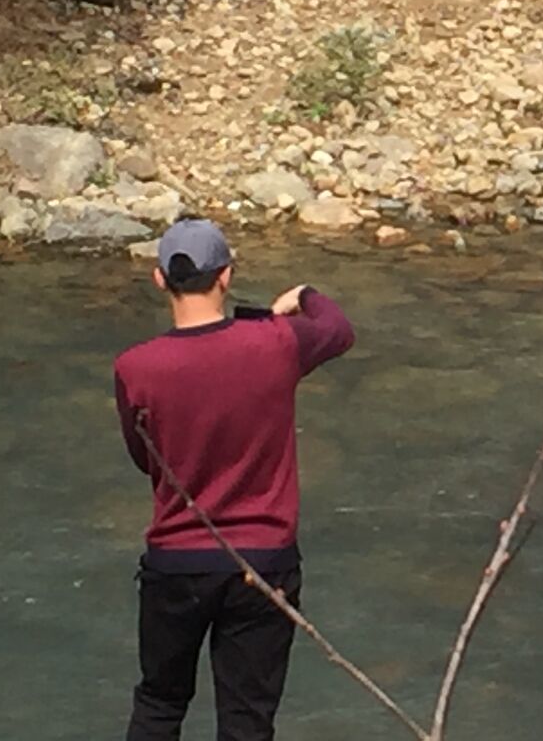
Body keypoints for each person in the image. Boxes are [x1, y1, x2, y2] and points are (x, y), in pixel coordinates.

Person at [114, 219, 356, 741]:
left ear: (160, 280)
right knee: (247, 722)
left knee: (158, 704)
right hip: (263, 565)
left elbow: (145, 459)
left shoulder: (136, 368)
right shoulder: (274, 344)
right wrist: (304, 295)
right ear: (225, 276)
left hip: (175, 564)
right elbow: (338, 329)